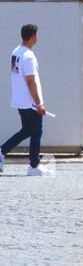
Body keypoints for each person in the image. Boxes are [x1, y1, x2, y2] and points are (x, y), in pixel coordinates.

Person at [2, 23, 50, 176]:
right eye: (36, 36)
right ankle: (34, 166)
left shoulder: (16, 52)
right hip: (30, 102)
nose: (37, 38)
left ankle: (2, 150)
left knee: (27, 130)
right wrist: (39, 103)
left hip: (20, 100)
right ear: (33, 37)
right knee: (36, 132)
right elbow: (31, 81)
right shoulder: (28, 56)